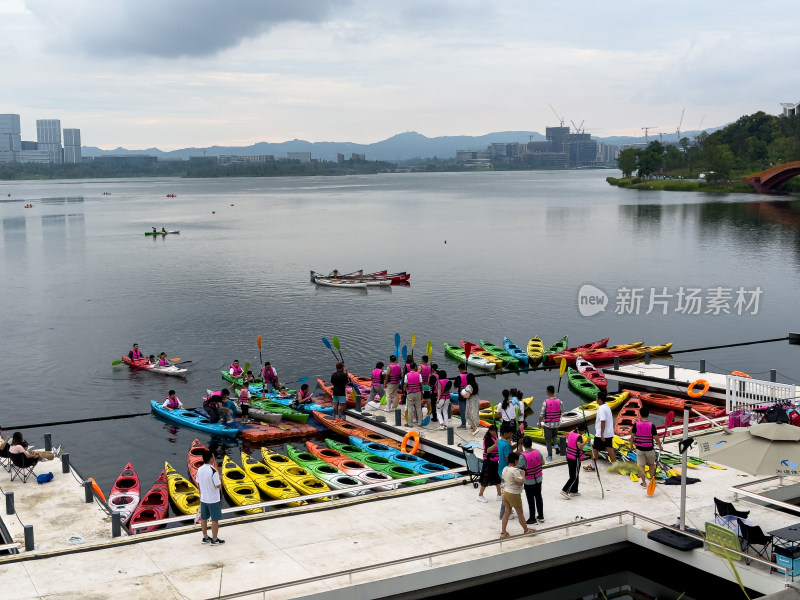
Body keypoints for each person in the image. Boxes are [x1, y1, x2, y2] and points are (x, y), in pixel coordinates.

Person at [499, 452, 532, 538]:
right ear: (515, 461)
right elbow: (521, 483)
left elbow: (505, 476)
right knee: (520, 513)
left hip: (506, 492)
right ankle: (526, 530)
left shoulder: (505, 468)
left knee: (506, 513)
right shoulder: (515, 471)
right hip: (514, 494)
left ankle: (503, 532)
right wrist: (523, 475)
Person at [630, 406, 663, 490]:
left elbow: (632, 437)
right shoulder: (652, 425)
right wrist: (660, 446)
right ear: (648, 415)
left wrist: (631, 446)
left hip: (639, 449)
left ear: (640, 415)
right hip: (649, 449)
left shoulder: (636, 425)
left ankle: (644, 483)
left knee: (641, 466)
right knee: (651, 465)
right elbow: (656, 437)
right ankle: (652, 481)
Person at [196, 449, 224, 545]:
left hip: (204, 499)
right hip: (213, 500)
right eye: (213, 457)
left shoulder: (199, 469)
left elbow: (199, 485)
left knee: (204, 518)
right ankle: (215, 539)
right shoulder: (213, 471)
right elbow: (218, 486)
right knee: (215, 520)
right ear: (211, 459)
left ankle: (205, 537)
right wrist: (220, 479)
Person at [587, 391, 617, 472]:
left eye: (597, 398)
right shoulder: (607, 406)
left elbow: (603, 421)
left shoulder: (601, 409)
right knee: (609, 449)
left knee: (595, 449)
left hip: (601, 434)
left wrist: (602, 434)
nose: (596, 399)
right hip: (609, 433)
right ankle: (615, 466)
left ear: (600, 399)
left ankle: (592, 466)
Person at [519, 436, 544, 524]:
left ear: (524, 445)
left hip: (529, 481)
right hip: (538, 478)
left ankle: (532, 517)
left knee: (530, 499)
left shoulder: (523, 456)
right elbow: (543, 463)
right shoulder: (537, 452)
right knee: (538, 496)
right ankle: (541, 516)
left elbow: (520, 468)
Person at [561, 423, 588, 499]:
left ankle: (574, 491)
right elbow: (579, 446)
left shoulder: (572, 432)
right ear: (582, 430)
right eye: (584, 432)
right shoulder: (579, 437)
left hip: (569, 455)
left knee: (574, 474)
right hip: (575, 457)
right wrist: (586, 441)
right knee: (574, 476)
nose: (583, 433)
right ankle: (565, 490)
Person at [477, 424, 501, 502]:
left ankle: (499, 495)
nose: (495, 432)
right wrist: (496, 444)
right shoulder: (487, 439)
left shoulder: (495, 436)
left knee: (497, 477)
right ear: (490, 431)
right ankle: (480, 495)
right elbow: (488, 450)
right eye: (494, 431)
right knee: (486, 478)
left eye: (496, 431)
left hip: (495, 461)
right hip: (488, 461)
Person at [538, 385, 563, 461]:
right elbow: (563, 412)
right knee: (555, 435)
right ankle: (556, 446)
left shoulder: (545, 402)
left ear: (548, 392)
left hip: (548, 424)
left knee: (548, 440)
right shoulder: (560, 402)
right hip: (557, 423)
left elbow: (541, 414)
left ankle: (550, 456)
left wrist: (539, 423)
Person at [403, 362, 424, 427]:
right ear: (415, 367)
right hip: (417, 392)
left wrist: (404, 390)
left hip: (410, 393)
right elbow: (421, 384)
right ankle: (420, 423)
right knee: (418, 408)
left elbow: (405, 385)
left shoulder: (407, 375)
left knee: (410, 408)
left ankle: (410, 424)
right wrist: (422, 392)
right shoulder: (419, 374)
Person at [453, 364, 469, 429]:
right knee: (469, 410)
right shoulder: (469, 376)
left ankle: (463, 424)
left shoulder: (459, 377)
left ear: (460, 369)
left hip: (461, 396)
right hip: (469, 396)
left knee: (462, 410)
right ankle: (471, 424)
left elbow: (455, 386)